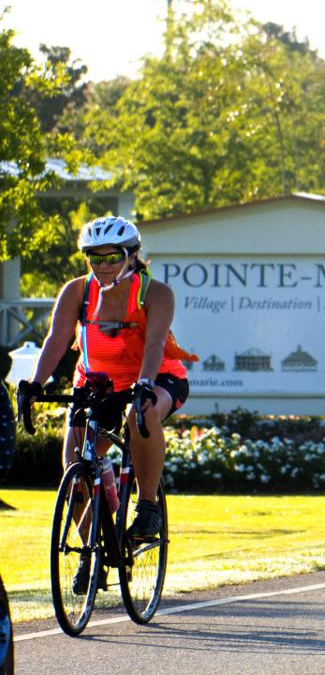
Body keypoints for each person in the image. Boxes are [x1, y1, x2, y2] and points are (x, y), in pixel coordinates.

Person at [18, 217, 197, 578]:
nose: (103, 266)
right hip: (98, 380)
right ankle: (93, 552)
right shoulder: (77, 291)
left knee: (140, 415)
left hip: (156, 376)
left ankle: (147, 508)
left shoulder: (155, 293)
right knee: (75, 467)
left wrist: (145, 383)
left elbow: (156, 344)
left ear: (131, 255)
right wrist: (35, 384)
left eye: (111, 257)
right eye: (94, 258)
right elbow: (56, 340)